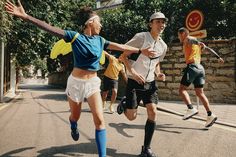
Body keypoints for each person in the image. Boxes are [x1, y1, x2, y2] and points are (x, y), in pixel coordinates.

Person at [5, 1, 156, 156]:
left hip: (93, 84)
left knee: (99, 120)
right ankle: (73, 124)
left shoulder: (100, 40)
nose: (101, 26)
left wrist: (140, 50)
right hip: (76, 84)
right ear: (91, 23)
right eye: (99, 22)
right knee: (75, 115)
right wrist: (25, 17)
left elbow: (121, 46)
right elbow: (49, 28)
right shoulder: (75, 37)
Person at [117, 12, 167, 157]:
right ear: (150, 24)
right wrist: (132, 71)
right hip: (134, 81)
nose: (161, 24)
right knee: (131, 117)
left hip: (150, 83)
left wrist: (158, 73)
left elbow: (157, 63)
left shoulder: (163, 46)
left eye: (163, 22)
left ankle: (146, 148)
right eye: (158, 21)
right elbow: (123, 56)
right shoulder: (141, 37)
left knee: (153, 112)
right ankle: (125, 103)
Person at [177, 27, 224, 127]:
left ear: (183, 34)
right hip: (200, 68)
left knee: (182, 89)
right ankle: (210, 115)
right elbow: (208, 48)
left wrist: (197, 41)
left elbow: (194, 40)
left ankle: (190, 108)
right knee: (200, 93)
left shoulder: (188, 39)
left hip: (193, 66)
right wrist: (218, 57)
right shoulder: (194, 44)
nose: (178, 37)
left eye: (179, 35)